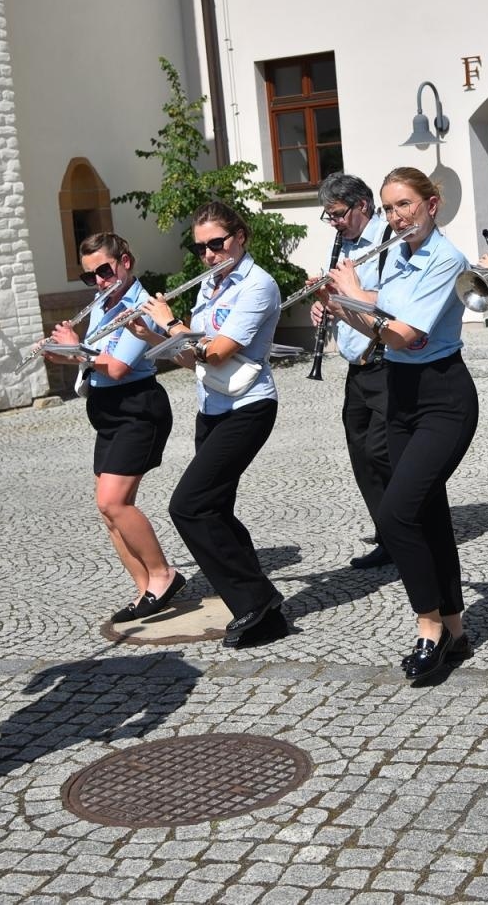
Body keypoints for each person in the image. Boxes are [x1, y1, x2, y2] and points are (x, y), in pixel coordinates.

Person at [321, 167, 480, 682]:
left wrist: (348, 297)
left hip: (443, 395)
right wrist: (343, 298)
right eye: (389, 208)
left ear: (432, 205)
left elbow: (405, 333)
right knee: (429, 514)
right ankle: (455, 628)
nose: (396, 217)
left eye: (405, 205)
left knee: (396, 514)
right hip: (402, 394)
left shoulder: (446, 259)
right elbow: (384, 304)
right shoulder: (401, 254)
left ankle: (428, 626)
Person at [143, 203, 287, 648]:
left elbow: (218, 352)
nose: (208, 254)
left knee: (189, 505)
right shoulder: (211, 284)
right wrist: (152, 336)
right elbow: (193, 358)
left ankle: (254, 599)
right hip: (212, 406)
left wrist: (172, 323)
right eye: (200, 246)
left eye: (216, 244)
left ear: (240, 237)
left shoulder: (258, 285)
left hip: (249, 405)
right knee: (217, 508)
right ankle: (264, 613)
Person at [46, 234, 184, 623]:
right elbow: (90, 360)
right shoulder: (103, 304)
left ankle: (164, 575)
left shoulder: (138, 306)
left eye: (104, 271)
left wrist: (79, 349)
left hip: (137, 407)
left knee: (114, 502)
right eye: (90, 276)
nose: (100, 281)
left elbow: (118, 366)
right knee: (107, 511)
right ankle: (145, 590)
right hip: (107, 409)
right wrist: (60, 351)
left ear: (125, 261)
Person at [314, 173, 396, 571]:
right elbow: (345, 305)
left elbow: (388, 301)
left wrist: (343, 300)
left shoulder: (388, 242)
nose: (335, 223)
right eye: (328, 217)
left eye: (338, 214)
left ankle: (408, 528)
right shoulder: (343, 245)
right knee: (362, 454)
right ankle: (388, 536)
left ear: (362, 205)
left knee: (385, 451)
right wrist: (325, 309)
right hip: (356, 364)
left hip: (386, 361)